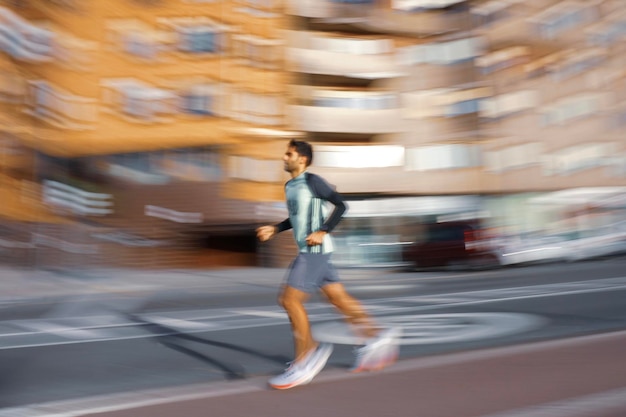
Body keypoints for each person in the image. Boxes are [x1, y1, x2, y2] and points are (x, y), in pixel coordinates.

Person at [256, 139, 400, 390]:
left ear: (301, 158)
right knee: (338, 299)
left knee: (289, 301)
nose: (283, 158)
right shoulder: (291, 185)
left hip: (315, 251)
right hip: (316, 252)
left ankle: (306, 357)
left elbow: (341, 204)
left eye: (288, 154)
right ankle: (375, 336)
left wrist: (323, 230)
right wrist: (276, 228)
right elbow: (296, 217)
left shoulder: (313, 181)